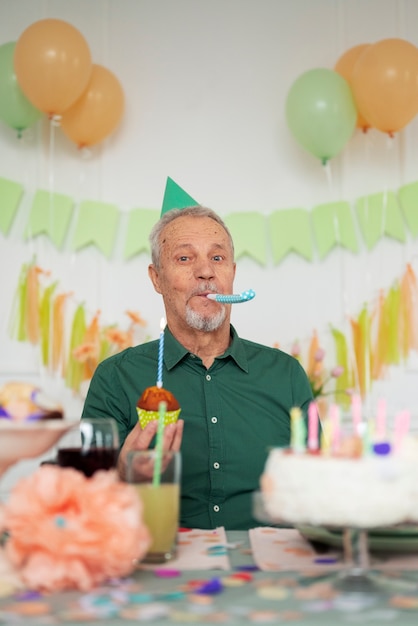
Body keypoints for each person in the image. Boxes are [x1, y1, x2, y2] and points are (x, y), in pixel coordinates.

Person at [81, 205, 314, 530]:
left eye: (217, 258)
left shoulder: (286, 375)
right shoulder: (114, 378)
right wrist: (122, 473)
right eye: (184, 258)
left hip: (271, 569)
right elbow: (82, 502)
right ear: (156, 278)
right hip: (157, 567)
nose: (206, 272)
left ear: (232, 272)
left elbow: (317, 490)